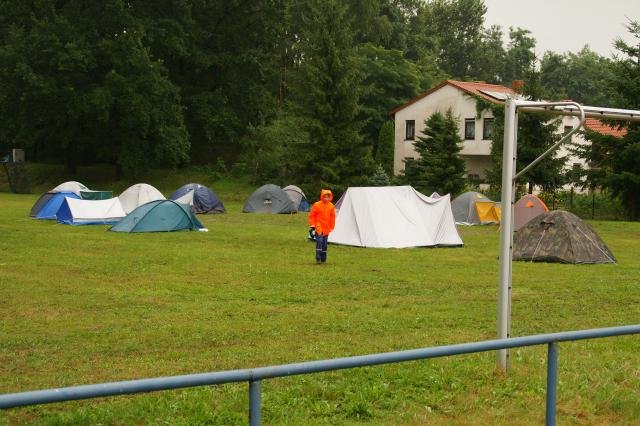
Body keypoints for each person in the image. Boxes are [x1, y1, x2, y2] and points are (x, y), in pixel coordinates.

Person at [308, 189, 335, 264]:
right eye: (325, 196)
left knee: (325, 244)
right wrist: (312, 225)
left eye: (327, 197)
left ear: (330, 197)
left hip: (327, 227)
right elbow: (311, 216)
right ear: (322, 197)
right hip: (318, 226)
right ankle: (318, 259)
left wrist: (332, 226)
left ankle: (323, 259)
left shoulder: (331, 206)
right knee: (319, 242)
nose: (326, 198)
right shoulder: (317, 205)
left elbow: (332, 217)